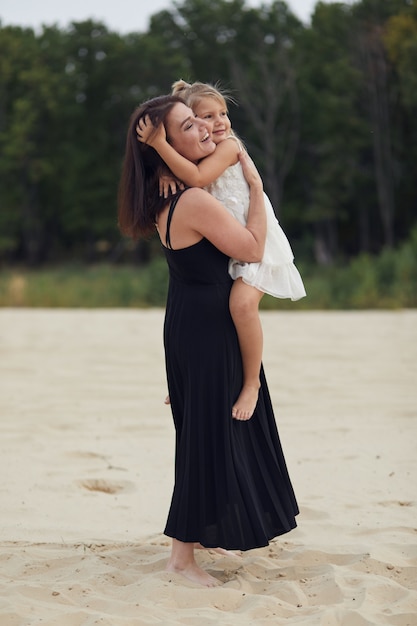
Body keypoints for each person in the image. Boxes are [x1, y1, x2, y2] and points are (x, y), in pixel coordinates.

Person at [118, 94, 299, 587]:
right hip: (207, 327)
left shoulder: (168, 196)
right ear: (167, 147)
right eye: (187, 125)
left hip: (187, 322)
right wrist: (258, 190)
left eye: (200, 119)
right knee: (205, 440)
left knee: (208, 434)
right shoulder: (193, 199)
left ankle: (201, 537)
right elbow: (253, 248)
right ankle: (180, 559)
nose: (203, 128)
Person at [136, 80, 306, 422]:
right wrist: (163, 170)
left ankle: (251, 382)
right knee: (216, 303)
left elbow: (198, 178)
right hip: (231, 244)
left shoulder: (228, 147)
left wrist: (161, 148)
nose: (217, 123)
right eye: (205, 117)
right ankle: (195, 376)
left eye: (222, 114)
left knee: (241, 306)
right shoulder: (195, 159)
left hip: (260, 240)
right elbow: (190, 169)